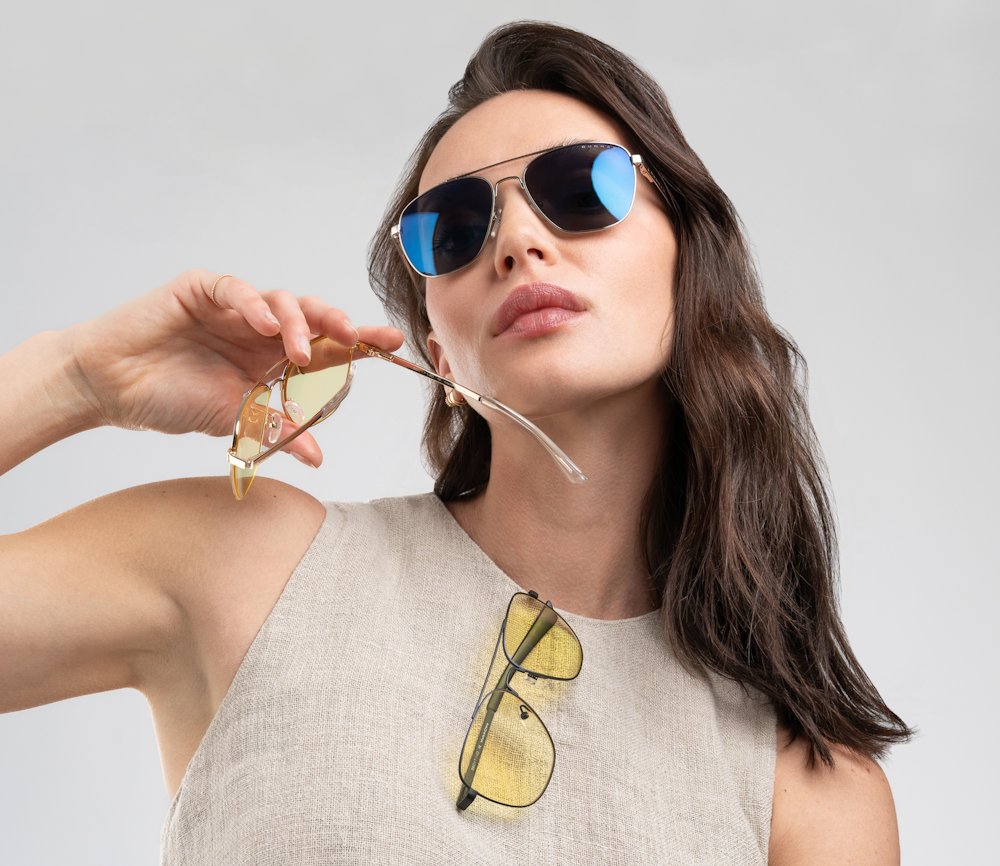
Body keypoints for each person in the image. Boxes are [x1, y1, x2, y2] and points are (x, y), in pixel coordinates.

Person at [0, 20, 912, 866]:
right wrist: (72, 379)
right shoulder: (245, 567)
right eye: (456, 230)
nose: (516, 241)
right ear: (440, 352)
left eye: (580, 188)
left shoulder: (809, 788)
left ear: (690, 260)